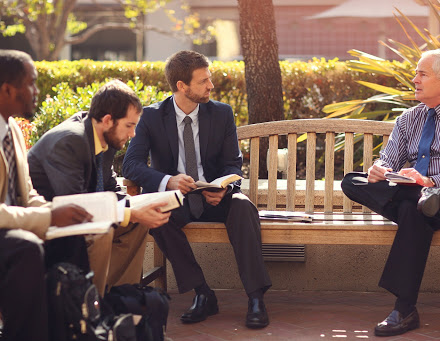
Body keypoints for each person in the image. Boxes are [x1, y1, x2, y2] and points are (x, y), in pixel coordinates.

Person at [341, 49, 440, 337]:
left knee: (415, 207)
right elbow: (391, 157)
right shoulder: (408, 119)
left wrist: (430, 181)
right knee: (352, 181)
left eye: (422, 74)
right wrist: (381, 170)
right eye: (416, 74)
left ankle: (405, 308)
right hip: (415, 194)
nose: (415, 79)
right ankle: (404, 308)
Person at [122, 50, 272, 328]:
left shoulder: (221, 113)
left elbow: (233, 165)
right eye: (203, 81)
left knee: (243, 206)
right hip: (178, 197)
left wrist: (225, 188)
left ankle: (255, 297)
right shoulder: (152, 117)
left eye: (209, 79)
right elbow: (130, 166)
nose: (210, 86)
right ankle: (203, 293)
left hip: (215, 198)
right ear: (182, 86)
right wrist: (169, 180)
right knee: (155, 213)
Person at [28, 79, 171, 296]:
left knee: (137, 224)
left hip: (77, 216)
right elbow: (78, 206)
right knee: (101, 231)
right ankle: (89, 305)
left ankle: (119, 298)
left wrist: (142, 204)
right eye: (130, 126)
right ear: (107, 120)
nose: (133, 135)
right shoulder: (69, 141)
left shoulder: (105, 137)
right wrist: (131, 212)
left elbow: (110, 187)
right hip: (45, 222)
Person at [0, 50, 93, 341]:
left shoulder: (12, 128)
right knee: (27, 248)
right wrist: (47, 216)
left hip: (14, 228)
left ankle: (73, 329)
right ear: (7, 89)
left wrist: (60, 214)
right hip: (9, 234)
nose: (37, 91)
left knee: (73, 237)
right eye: (32, 83)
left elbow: (26, 191)